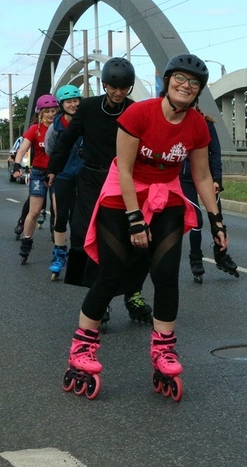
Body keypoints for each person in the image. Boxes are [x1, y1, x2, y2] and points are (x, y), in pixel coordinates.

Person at [61, 53, 229, 401]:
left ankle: (164, 350)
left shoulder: (197, 125)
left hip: (165, 196)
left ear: (198, 92)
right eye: (179, 79)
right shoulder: (138, 113)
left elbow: (201, 176)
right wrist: (134, 219)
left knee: (166, 274)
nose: (185, 86)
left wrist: (216, 223)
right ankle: (82, 348)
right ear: (167, 82)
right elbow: (123, 169)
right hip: (120, 196)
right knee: (111, 274)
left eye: (193, 83)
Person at [47, 57, 153, 322]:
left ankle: (133, 294)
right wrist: (52, 169)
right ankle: (99, 298)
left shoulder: (135, 110)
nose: (119, 93)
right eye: (114, 87)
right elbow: (67, 140)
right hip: (92, 179)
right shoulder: (89, 108)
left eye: (124, 87)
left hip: (124, 181)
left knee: (134, 238)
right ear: (104, 84)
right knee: (86, 236)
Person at [180, 108, 239, 283]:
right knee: (196, 220)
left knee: (217, 220)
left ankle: (221, 256)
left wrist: (217, 180)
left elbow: (215, 152)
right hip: (185, 178)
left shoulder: (206, 123)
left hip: (207, 177)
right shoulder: (177, 123)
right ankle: (196, 259)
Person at [12, 94, 58, 263]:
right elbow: (22, 149)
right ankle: (26, 240)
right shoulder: (35, 130)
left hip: (58, 172)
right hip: (39, 172)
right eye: (47, 111)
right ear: (40, 113)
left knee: (57, 210)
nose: (51, 114)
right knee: (35, 211)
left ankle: (58, 240)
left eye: (54, 111)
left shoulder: (61, 127)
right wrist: (17, 166)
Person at [44, 84, 83, 280]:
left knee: (79, 219)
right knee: (61, 216)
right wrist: (55, 169)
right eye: (69, 101)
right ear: (62, 104)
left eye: (76, 100)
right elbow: (50, 151)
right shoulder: (55, 127)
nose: (73, 104)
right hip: (63, 175)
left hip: (84, 175)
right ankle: (59, 254)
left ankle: (78, 256)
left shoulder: (86, 122)